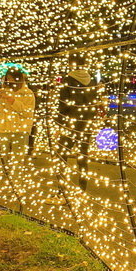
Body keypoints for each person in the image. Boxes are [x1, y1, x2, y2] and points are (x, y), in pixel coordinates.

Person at [56, 55, 100, 190]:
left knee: (62, 154)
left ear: (71, 64)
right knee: (83, 155)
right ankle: (82, 188)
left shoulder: (68, 79)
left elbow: (63, 104)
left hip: (71, 122)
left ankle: (61, 190)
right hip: (86, 122)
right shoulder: (92, 80)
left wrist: (59, 123)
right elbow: (95, 102)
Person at [0, 68, 35, 173]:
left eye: (12, 79)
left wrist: (13, 101)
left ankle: (16, 185)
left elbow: (28, 113)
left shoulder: (27, 93)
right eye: (8, 79)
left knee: (17, 162)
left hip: (20, 130)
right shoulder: (3, 90)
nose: (10, 82)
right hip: (3, 129)